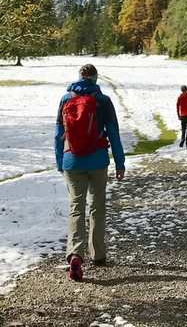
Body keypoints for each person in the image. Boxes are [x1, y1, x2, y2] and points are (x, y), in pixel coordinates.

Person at [55, 63, 126, 282]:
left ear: (79, 77)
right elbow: (113, 133)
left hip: (72, 160)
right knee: (97, 206)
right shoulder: (103, 101)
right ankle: (98, 254)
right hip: (97, 161)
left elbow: (58, 133)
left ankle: (75, 254)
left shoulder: (65, 99)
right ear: (96, 79)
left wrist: (60, 161)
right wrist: (120, 162)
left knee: (76, 206)